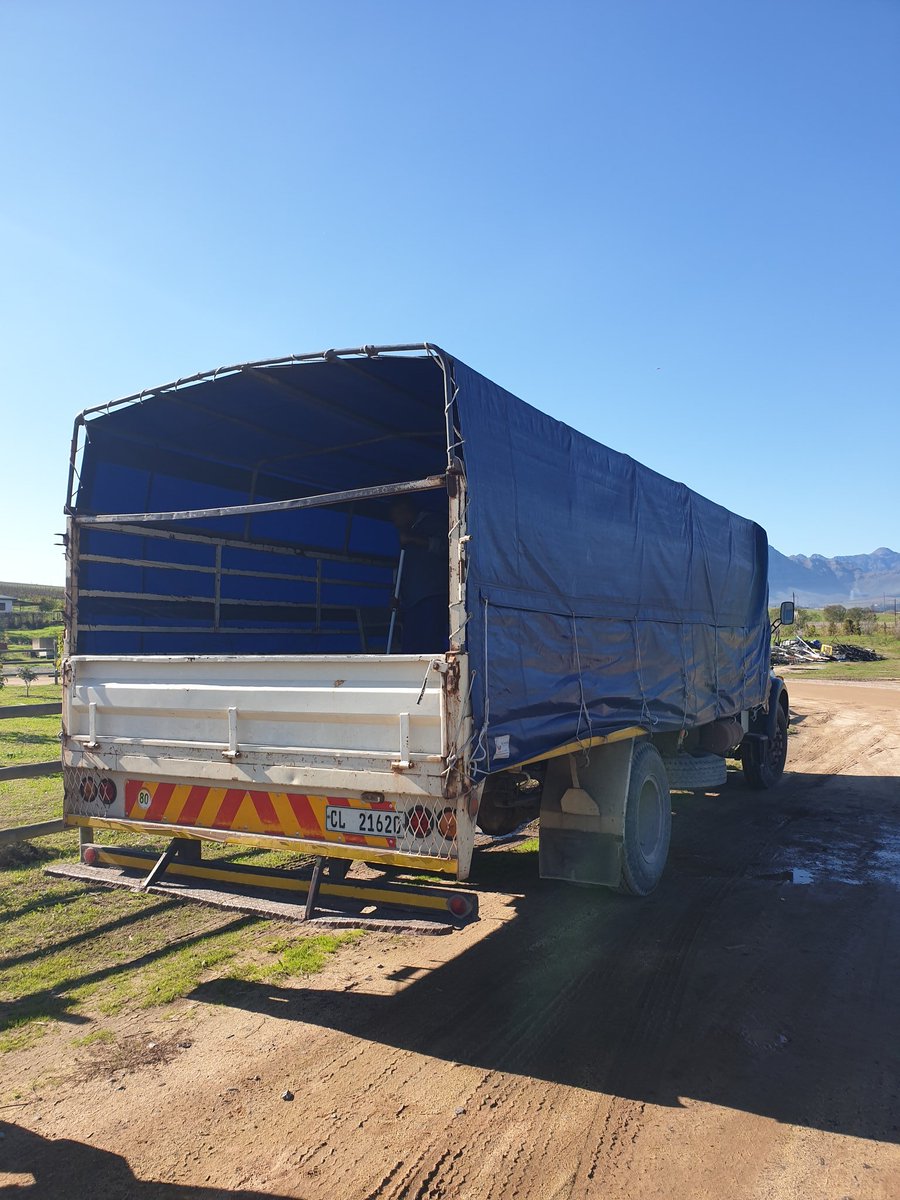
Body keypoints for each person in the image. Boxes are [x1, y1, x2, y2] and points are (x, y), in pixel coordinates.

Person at [389, 497, 449, 653]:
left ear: (406, 512)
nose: (396, 523)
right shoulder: (406, 535)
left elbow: (445, 548)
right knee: (411, 646)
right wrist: (397, 595)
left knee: (429, 644)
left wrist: (414, 539)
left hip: (432, 595)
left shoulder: (433, 523)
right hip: (412, 600)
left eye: (397, 517)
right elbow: (402, 567)